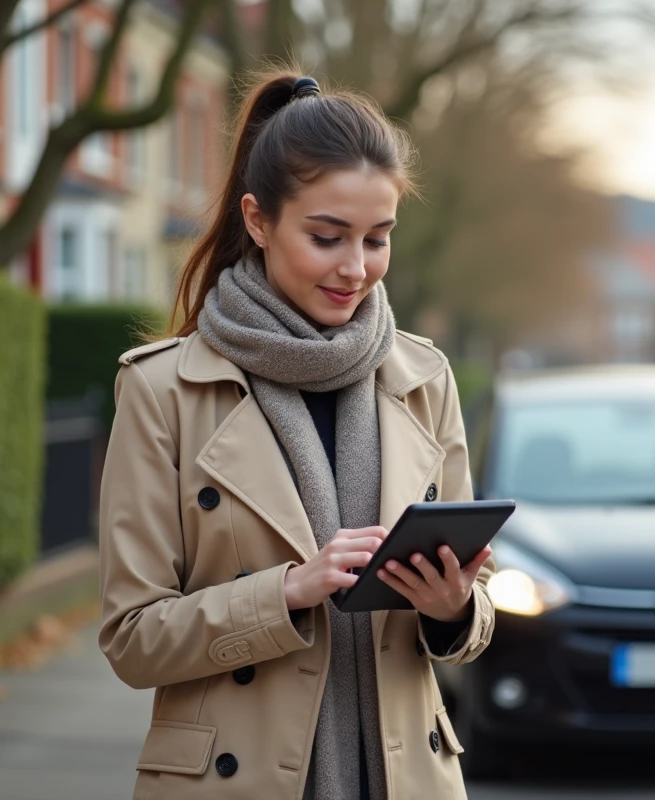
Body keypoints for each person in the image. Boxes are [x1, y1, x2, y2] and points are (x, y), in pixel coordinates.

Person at [98, 70, 495, 800]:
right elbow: (132, 638)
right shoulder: (162, 390)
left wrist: (454, 608)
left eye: (378, 239)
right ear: (258, 220)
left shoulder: (423, 377)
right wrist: (287, 591)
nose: (356, 269)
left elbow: (478, 609)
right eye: (326, 236)